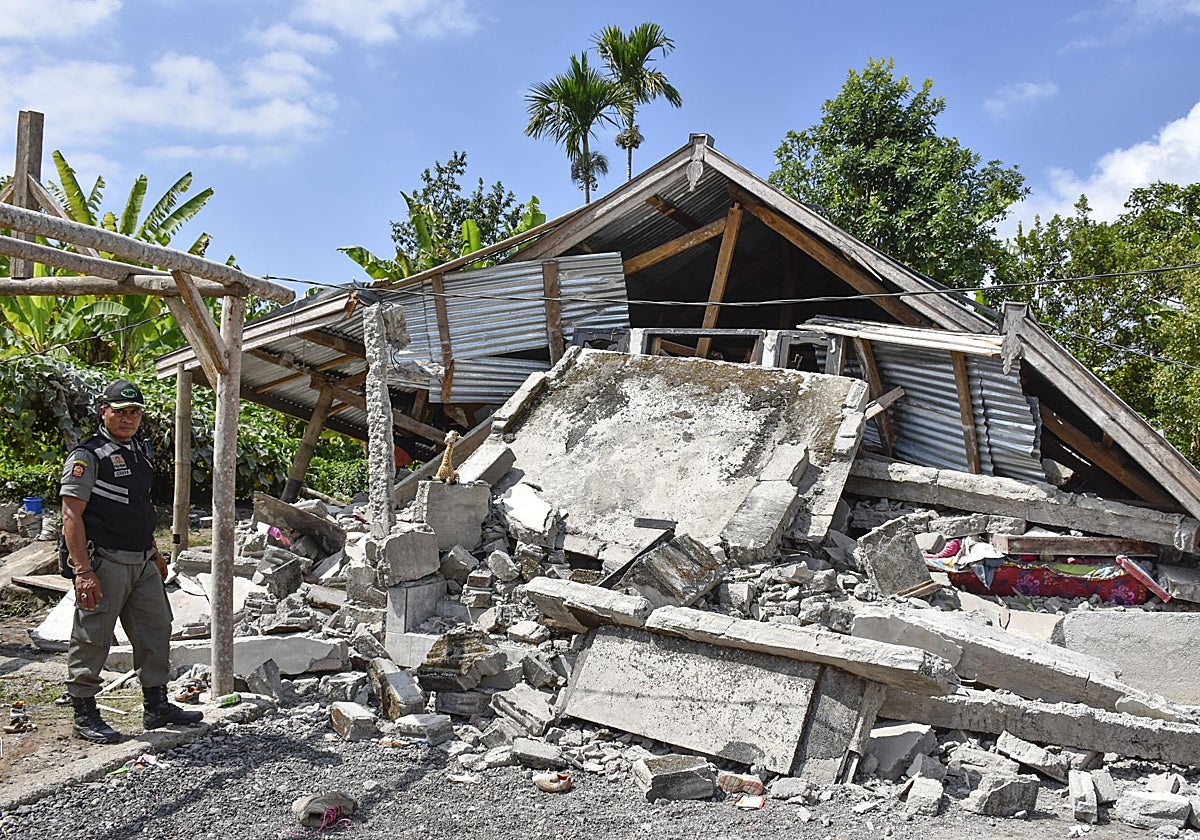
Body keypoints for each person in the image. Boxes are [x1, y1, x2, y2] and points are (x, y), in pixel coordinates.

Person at [60, 378, 202, 743]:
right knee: (94, 636)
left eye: (135, 412)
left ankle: (156, 705)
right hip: (104, 561)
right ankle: (84, 712)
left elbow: (138, 505)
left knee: (156, 629)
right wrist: (83, 571)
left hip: (141, 560)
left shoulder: (140, 451)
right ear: (103, 412)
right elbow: (71, 516)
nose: (128, 418)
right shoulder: (87, 456)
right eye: (120, 412)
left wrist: (154, 552)